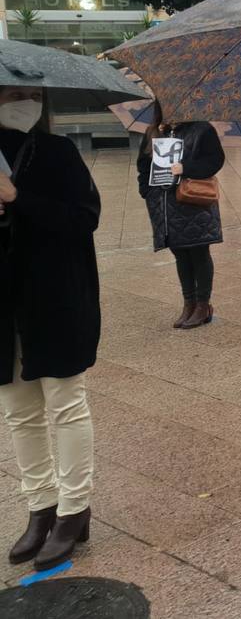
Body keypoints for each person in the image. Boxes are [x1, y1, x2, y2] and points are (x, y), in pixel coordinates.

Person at [0, 86, 99, 570]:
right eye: (10, 92)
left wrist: (18, 197)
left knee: (65, 401)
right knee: (19, 410)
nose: (22, 100)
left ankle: (73, 510)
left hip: (55, 296)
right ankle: (39, 507)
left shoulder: (57, 153)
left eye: (29, 92)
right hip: (4, 304)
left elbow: (84, 219)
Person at [136, 103, 226, 330]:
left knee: (198, 250)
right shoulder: (155, 131)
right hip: (164, 204)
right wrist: (146, 192)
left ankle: (203, 305)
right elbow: (143, 165)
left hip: (192, 201)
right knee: (180, 253)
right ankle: (189, 303)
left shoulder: (202, 129)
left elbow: (215, 160)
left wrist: (185, 167)